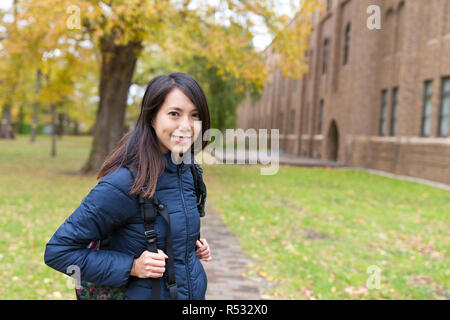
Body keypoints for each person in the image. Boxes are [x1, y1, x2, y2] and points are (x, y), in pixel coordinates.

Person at [44, 72, 212, 300]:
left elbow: (166, 231)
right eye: (174, 114)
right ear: (152, 118)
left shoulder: (187, 170)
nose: (186, 126)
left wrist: (190, 247)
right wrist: (132, 267)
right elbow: (59, 251)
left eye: (195, 115)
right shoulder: (124, 182)